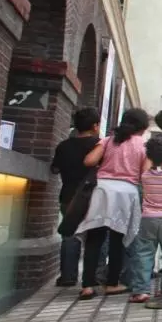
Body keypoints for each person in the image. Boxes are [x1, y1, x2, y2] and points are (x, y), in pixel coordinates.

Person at [76, 108, 151, 300]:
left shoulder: (109, 140)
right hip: (127, 193)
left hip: (102, 190)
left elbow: (88, 161)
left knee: (94, 238)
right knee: (118, 240)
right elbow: (146, 173)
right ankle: (112, 284)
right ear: (142, 127)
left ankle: (87, 286)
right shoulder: (142, 144)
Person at [51, 107, 101, 287]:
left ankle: (67, 276)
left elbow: (55, 169)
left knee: (70, 235)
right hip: (93, 195)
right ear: (95, 126)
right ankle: (92, 277)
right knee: (94, 237)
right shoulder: (99, 145)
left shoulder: (63, 145)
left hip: (68, 195)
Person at [129, 136, 162, 303]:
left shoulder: (145, 176)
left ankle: (141, 290)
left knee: (144, 254)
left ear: (149, 156)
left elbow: (149, 167)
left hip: (148, 218)